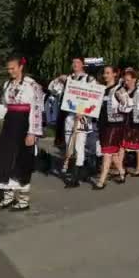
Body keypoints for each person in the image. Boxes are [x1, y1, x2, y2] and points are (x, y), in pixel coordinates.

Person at [0, 56, 43, 211]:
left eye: (13, 68)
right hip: (9, 124)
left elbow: (37, 109)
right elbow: (5, 106)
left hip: (24, 125)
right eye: (8, 68)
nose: (10, 71)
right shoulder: (7, 84)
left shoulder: (32, 85)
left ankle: (24, 200)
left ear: (20, 67)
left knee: (22, 160)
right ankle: (8, 197)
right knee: (3, 158)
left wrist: (32, 132)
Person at [58, 57, 97, 188]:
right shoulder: (68, 79)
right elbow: (54, 90)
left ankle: (76, 177)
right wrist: (60, 80)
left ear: (82, 65)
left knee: (79, 145)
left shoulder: (89, 79)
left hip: (83, 116)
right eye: (73, 62)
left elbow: (95, 97)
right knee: (69, 144)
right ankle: (79, 169)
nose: (75, 64)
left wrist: (84, 111)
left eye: (77, 63)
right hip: (70, 116)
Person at [93, 66, 131, 189]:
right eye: (104, 73)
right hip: (103, 124)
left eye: (108, 73)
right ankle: (122, 172)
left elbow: (129, 104)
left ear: (115, 74)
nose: (105, 75)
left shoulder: (118, 90)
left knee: (107, 153)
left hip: (114, 125)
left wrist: (119, 110)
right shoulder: (102, 89)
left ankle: (101, 180)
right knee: (112, 153)